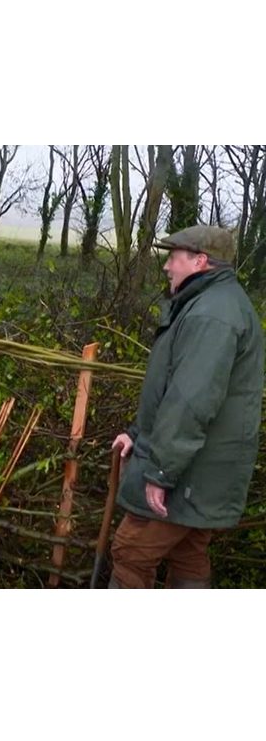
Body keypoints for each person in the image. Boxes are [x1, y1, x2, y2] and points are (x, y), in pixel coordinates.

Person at [109, 225, 264, 588]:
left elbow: (191, 402)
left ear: (200, 261)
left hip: (188, 473)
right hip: (201, 471)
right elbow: (174, 386)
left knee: (131, 552)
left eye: (174, 257)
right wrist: (137, 434)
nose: (167, 266)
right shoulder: (210, 304)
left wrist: (161, 473)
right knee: (188, 554)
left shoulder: (211, 316)